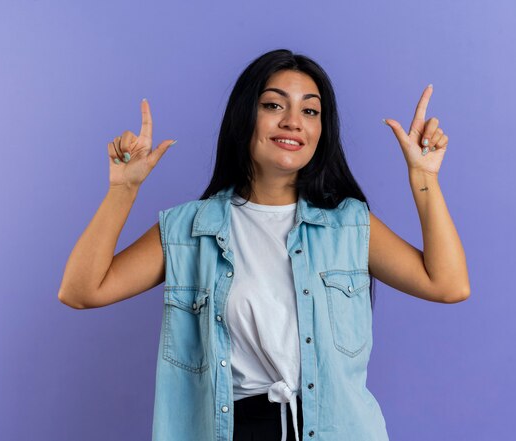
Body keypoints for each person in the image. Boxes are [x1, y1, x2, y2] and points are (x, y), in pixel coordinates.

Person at [58, 49, 470, 441]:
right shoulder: (190, 229)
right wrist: (123, 189)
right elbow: (81, 291)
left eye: (310, 110)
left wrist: (425, 178)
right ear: (244, 117)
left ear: (321, 131)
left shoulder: (348, 224)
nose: (294, 121)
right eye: (274, 105)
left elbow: (448, 285)